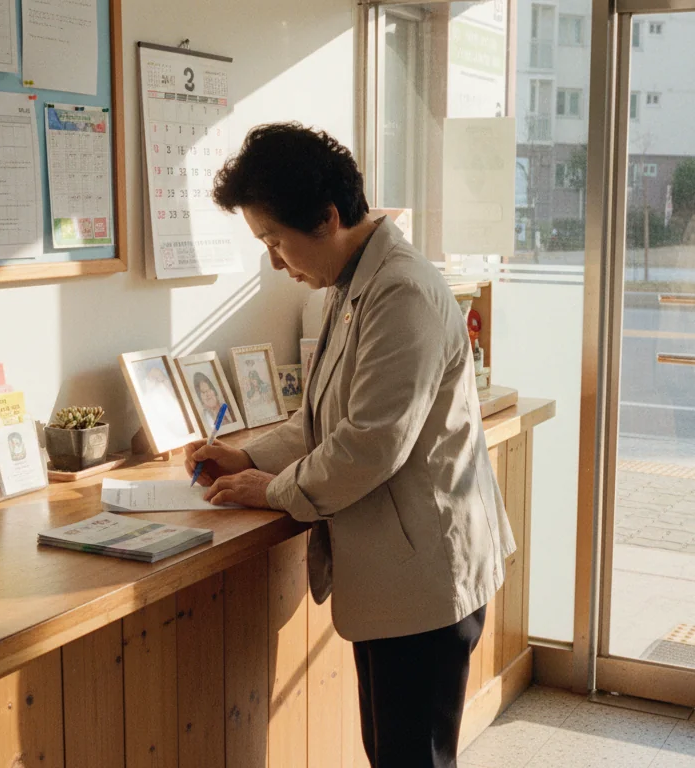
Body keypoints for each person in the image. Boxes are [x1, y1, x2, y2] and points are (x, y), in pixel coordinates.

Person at [186, 122, 514, 768]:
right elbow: (324, 418)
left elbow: (371, 442)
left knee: (411, 758)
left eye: (275, 241)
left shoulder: (400, 292)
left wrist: (273, 489)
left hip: (425, 582)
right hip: (400, 571)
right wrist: (248, 455)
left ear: (328, 218)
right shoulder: (353, 283)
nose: (276, 263)